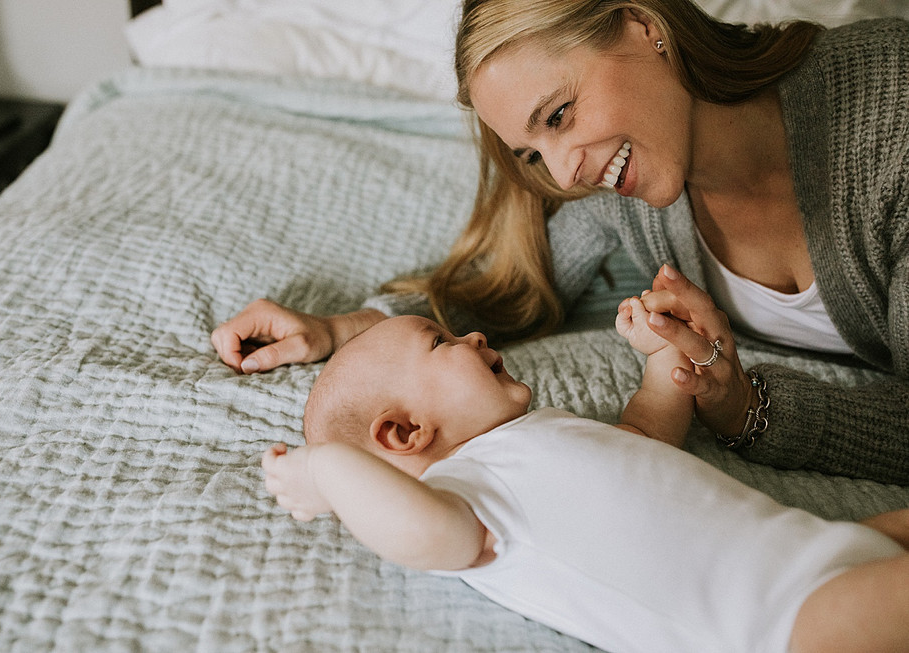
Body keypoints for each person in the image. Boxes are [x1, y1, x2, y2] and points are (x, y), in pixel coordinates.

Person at [215, 1, 909, 484]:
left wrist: (745, 406)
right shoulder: (625, 187)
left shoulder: (892, 124)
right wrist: (338, 329)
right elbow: (509, 291)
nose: (566, 170)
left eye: (559, 113)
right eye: (534, 151)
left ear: (643, 25)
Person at [262, 306, 909, 653]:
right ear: (404, 432)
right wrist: (324, 473)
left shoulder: (536, 435)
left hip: (823, 545)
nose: (474, 335)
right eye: (442, 341)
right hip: (785, 623)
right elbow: (413, 529)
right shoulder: (463, 498)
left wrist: (661, 364)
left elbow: (645, 441)